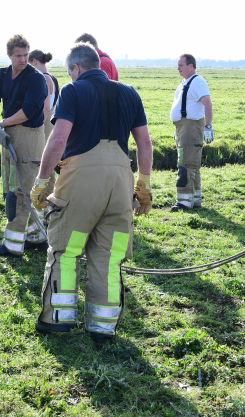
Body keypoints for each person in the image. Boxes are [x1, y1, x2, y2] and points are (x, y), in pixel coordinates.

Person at [30, 42, 152, 344]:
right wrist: (144, 184)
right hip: (121, 179)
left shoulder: (73, 91)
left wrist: (42, 181)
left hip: (81, 177)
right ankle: (103, 326)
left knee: (66, 249)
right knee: (110, 256)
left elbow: (58, 139)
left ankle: (58, 319)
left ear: (76, 69)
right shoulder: (130, 92)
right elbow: (145, 144)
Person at [0, 34, 48, 257]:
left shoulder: (36, 78)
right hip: (8, 135)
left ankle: (12, 245)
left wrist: (2, 123)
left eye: (26, 55)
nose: (23, 60)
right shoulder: (2, 74)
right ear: (9, 55)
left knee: (20, 190)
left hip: (29, 136)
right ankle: (37, 237)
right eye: (19, 56)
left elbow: (28, 112)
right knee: (11, 188)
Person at [169, 54, 213, 211]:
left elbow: (207, 103)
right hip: (182, 127)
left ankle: (184, 202)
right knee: (191, 163)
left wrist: (208, 126)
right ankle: (195, 199)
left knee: (186, 163)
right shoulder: (185, 82)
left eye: (181, 65)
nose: (178, 68)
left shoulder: (197, 81)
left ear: (191, 66)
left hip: (191, 127)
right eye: (177, 65)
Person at [26, 49, 60, 242]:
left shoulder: (43, 78)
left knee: (44, 164)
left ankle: (47, 204)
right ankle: (50, 204)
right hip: (51, 123)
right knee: (49, 163)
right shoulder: (52, 78)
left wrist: (37, 125)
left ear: (35, 62)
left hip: (44, 124)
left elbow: (45, 107)